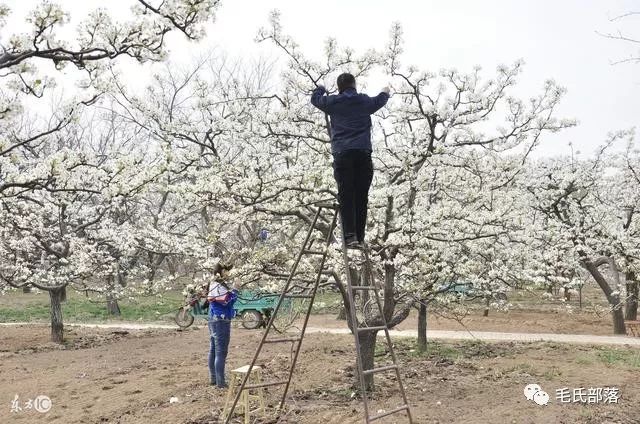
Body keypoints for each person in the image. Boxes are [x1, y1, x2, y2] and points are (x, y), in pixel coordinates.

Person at [310, 73, 390, 248]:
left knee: (346, 194)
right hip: (363, 152)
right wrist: (385, 91)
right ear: (354, 85)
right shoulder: (363, 101)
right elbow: (380, 101)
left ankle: (350, 236)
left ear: (339, 87)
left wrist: (321, 88)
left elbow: (315, 99)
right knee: (361, 195)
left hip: (343, 153)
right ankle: (360, 238)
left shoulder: (333, 102)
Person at [207, 263, 237, 388]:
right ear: (222, 271)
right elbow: (226, 301)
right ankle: (220, 382)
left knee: (214, 348)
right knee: (221, 351)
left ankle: (214, 378)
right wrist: (236, 289)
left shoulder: (214, 284)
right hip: (221, 320)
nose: (228, 274)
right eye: (227, 271)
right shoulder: (217, 285)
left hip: (214, 318)